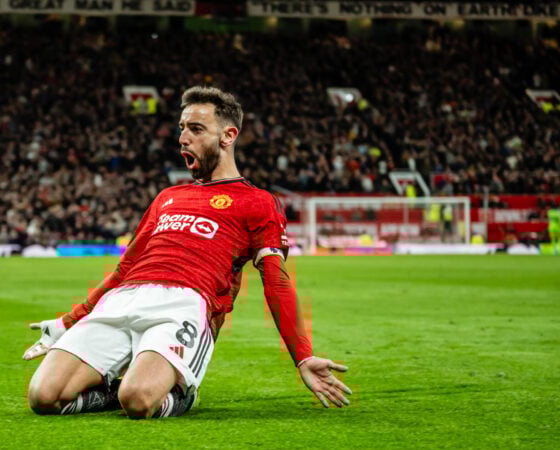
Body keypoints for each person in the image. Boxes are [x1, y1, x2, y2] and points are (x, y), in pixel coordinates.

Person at [22, 86, 352, 419]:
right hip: (124, 299)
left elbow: (276, 282)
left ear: (228, 136)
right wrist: (69, 320)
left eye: (196, 129)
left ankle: (180, 394)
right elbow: (125, 268)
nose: (183, 138)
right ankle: (118, 392)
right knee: (43, 397)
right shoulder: (168, 197)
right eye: (182, 128)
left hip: (185, 305)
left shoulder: (258, 202)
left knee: (137, 400)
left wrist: (302, 356)